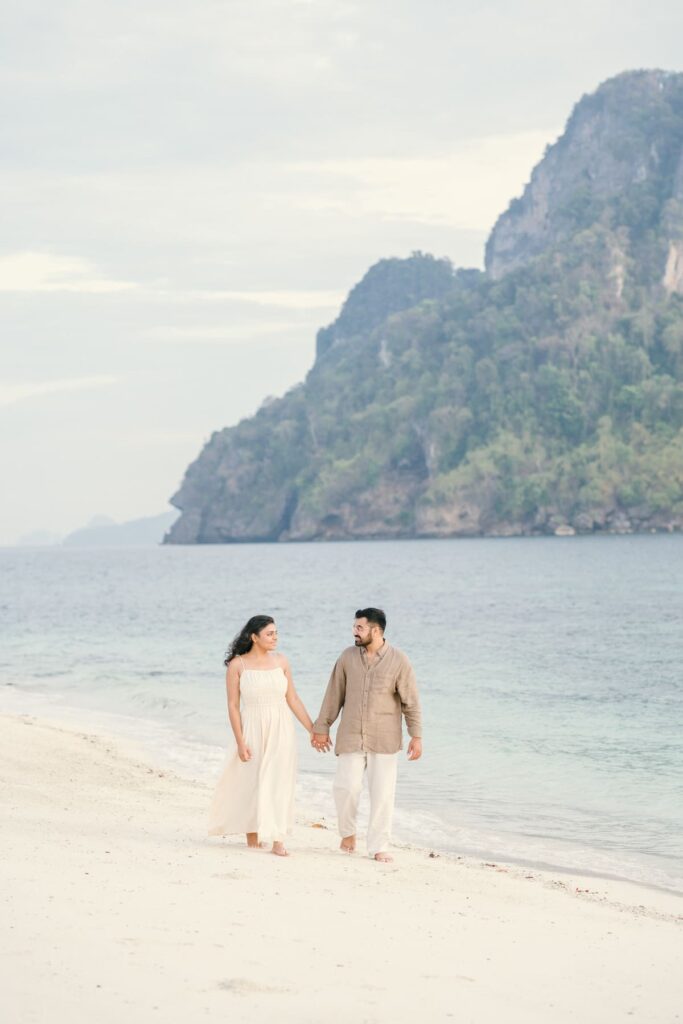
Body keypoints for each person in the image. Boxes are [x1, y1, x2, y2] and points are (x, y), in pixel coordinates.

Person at [311, 607, 422, 862]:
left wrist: (416, 736)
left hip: (384, 739)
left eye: (359, 627)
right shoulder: (347, 657)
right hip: (351, 734)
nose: (355, 631)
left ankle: (379, 846)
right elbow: (333, 694)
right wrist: (322, 727)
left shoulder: (399, 660)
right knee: (345, 788)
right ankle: (348, 833)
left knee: (382, 795)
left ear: (376, 630)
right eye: (354, 627)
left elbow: (411, 702)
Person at [208, 614, 316, 857]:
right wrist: (240, 742)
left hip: (281, 727)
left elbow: (293, 698)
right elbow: (233, 706)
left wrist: (312, 729)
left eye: (276, 633)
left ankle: (278, 839)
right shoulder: (238, 665)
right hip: (252, 727)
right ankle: (252, 834)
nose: (275, 638)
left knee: (279, 781)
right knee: (252, 781)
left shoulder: (281, 661)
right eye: (269, 634)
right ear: (254, 637)